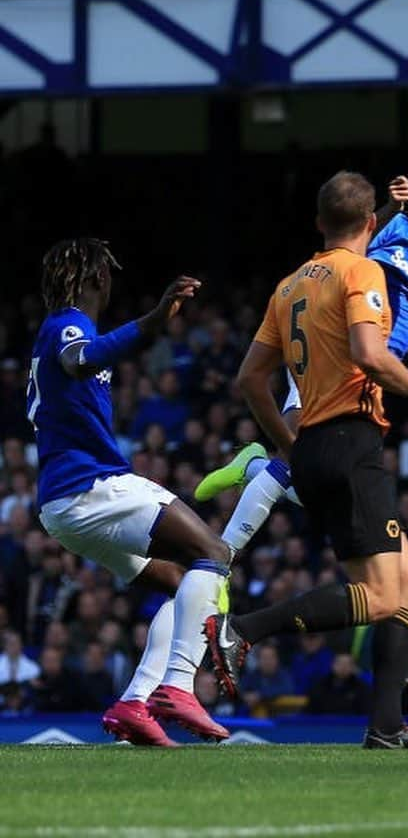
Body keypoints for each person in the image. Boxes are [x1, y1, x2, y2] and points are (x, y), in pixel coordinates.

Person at [203, 170, 408, 750]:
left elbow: (250, 379)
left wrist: (288, 448)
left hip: (314, 444)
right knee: (386, 595)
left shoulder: (289, 286)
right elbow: (370, 353)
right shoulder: (361, 271)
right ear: (370, 224)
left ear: (318, 223)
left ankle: (385, 725)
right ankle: (241, 629)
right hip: (351, 443)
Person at [28, 238, 230, 746]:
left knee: (181, 581)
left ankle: (135, 704)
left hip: (62, 505)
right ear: (98, 279)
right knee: (214, 552)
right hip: (90, 486)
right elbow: (79, 359)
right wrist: (154, 319)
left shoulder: (53, 332)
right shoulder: (67, 325)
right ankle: (178, 687)